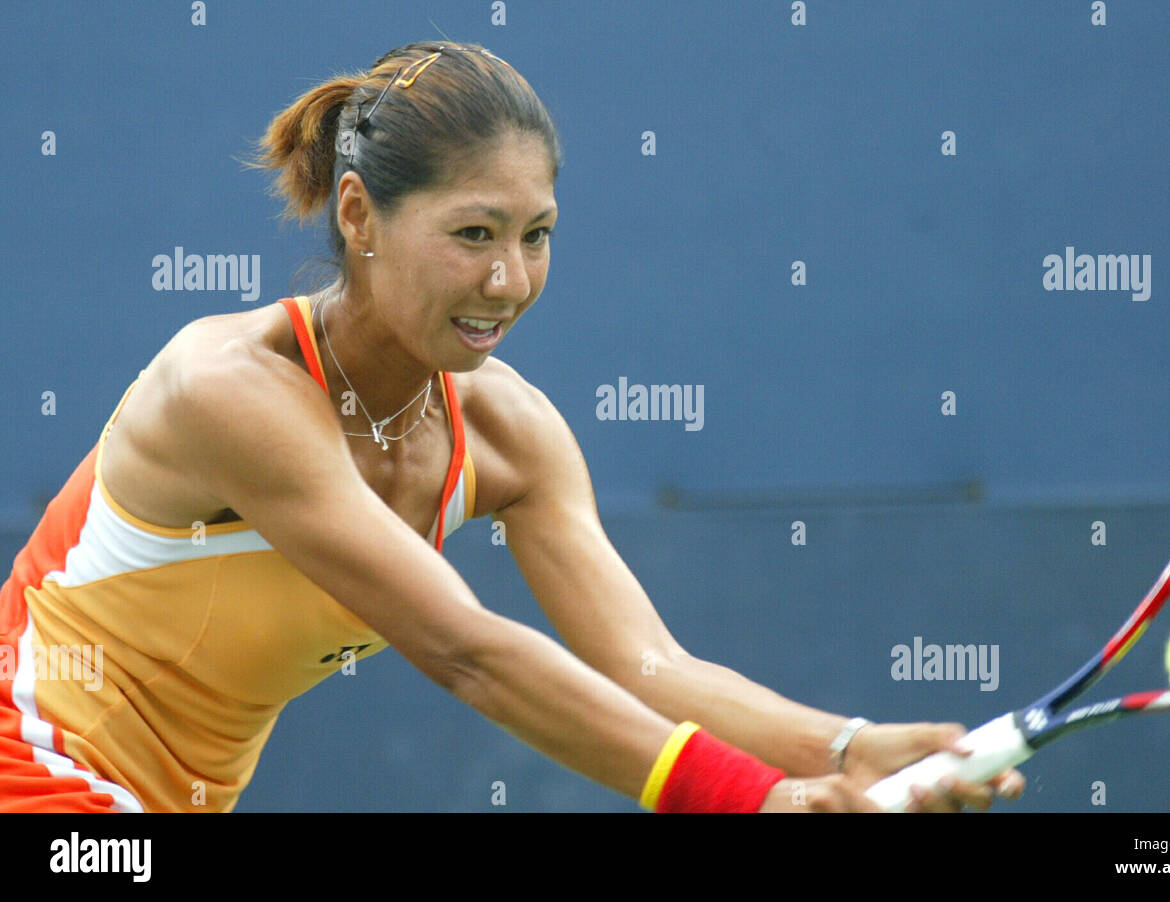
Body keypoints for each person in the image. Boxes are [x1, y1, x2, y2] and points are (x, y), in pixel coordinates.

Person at [0, 40, 1024, 813]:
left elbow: (649, 669)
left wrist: (839, 748)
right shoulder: (228, 389)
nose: (509, 280)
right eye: (472, 235)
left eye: (536, 236)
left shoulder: (509, 437)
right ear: (357, 217)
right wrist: (749, 796)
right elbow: (466, 649)